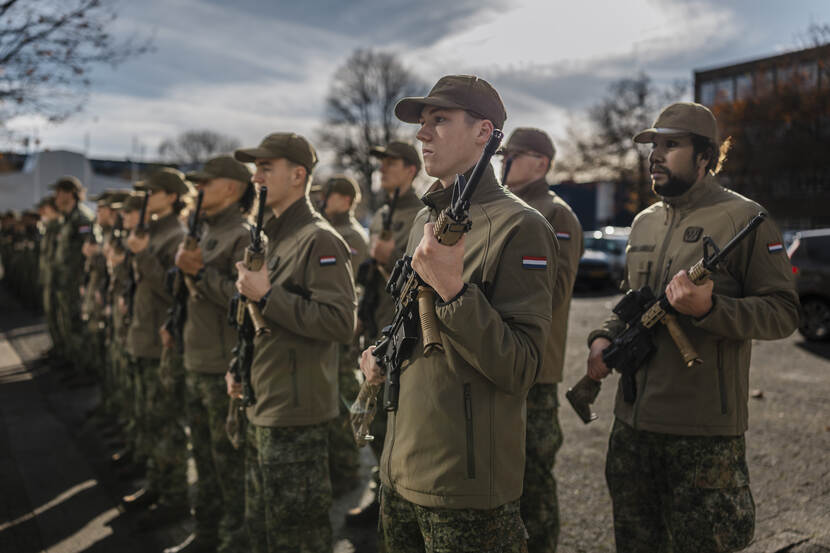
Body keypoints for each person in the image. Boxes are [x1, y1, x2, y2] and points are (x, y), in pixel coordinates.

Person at [584, 102, 799, 553]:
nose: (655, 155)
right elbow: (630, 298)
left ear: (705, 157)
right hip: (631, 428)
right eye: (653, 146)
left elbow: (782, 312)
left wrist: (710, 308)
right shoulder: (644, 222)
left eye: (672, 145)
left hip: (701, 438)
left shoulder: (745, 219)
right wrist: (603, 336)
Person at [360, 74, 558, 552]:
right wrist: (382, 357)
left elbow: (523, 366)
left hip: (464, 488)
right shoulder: (424, 222)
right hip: (401, 469)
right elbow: (414, 324)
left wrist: (453, 289)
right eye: (422, 123)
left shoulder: (522, 227)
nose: (422, 133)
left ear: (483, 132)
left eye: (439, 120)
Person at [230, 132, 356, 552]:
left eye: (267, 167)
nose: (257, 176)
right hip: (265, 397)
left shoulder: (319, 238)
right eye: (256, 168)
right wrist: (240, 368)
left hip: (296, 410)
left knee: (298, 535)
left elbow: (341, 322)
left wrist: (267, 295)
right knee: (266, 525)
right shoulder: (270, 235)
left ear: (298, 174)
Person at [500, 127, 583, 553]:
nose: (503, 160)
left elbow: (554, 293)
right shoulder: (502, 207)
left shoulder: (556, 215)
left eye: (513, 154)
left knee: (533, 481)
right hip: (498, 363)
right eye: (503, 153)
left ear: (541, 163)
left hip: (535, 371)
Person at [346, 139, 424, 526]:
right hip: (376, 327)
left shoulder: (422, 215)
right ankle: (382, 496)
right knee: (377, 418)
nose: (383, 170)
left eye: (391, 163)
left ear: (411, 170)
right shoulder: (379, 216)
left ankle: (402, 502)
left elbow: (423, 276)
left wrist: (389, 257)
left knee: (402, 419)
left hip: (406, 334)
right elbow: (371, 277)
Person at [123, 169, 191, 529]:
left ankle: (175, 495)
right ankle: (156, 484)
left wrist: (143, 255)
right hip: (143, 335)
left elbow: (172, 292)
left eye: (153, 192)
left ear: (171, 195)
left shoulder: (175, 235)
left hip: (160, 341)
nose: (146, 198)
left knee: (166, 423)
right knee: (150, 418)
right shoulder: (151, 232)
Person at [317, 174, 369, 497]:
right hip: (326, 332)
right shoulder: (328, 231)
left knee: (345, 402)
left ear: (346, 200)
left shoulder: (352, 236)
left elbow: (356, 288)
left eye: (330, 195)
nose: (323, 200)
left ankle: (349, 470)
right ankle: (338, 466)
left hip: (345, 333)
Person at [51, 176, 94, 376]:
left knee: (76, 324)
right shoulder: (67, 218)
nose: (55, 197)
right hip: (65, 280)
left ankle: (83, 368)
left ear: (70, 193)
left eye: (59, 192)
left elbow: (88, 252)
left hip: (76, 281)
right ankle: (70, 359)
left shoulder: (82, 218)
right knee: (66, 320)